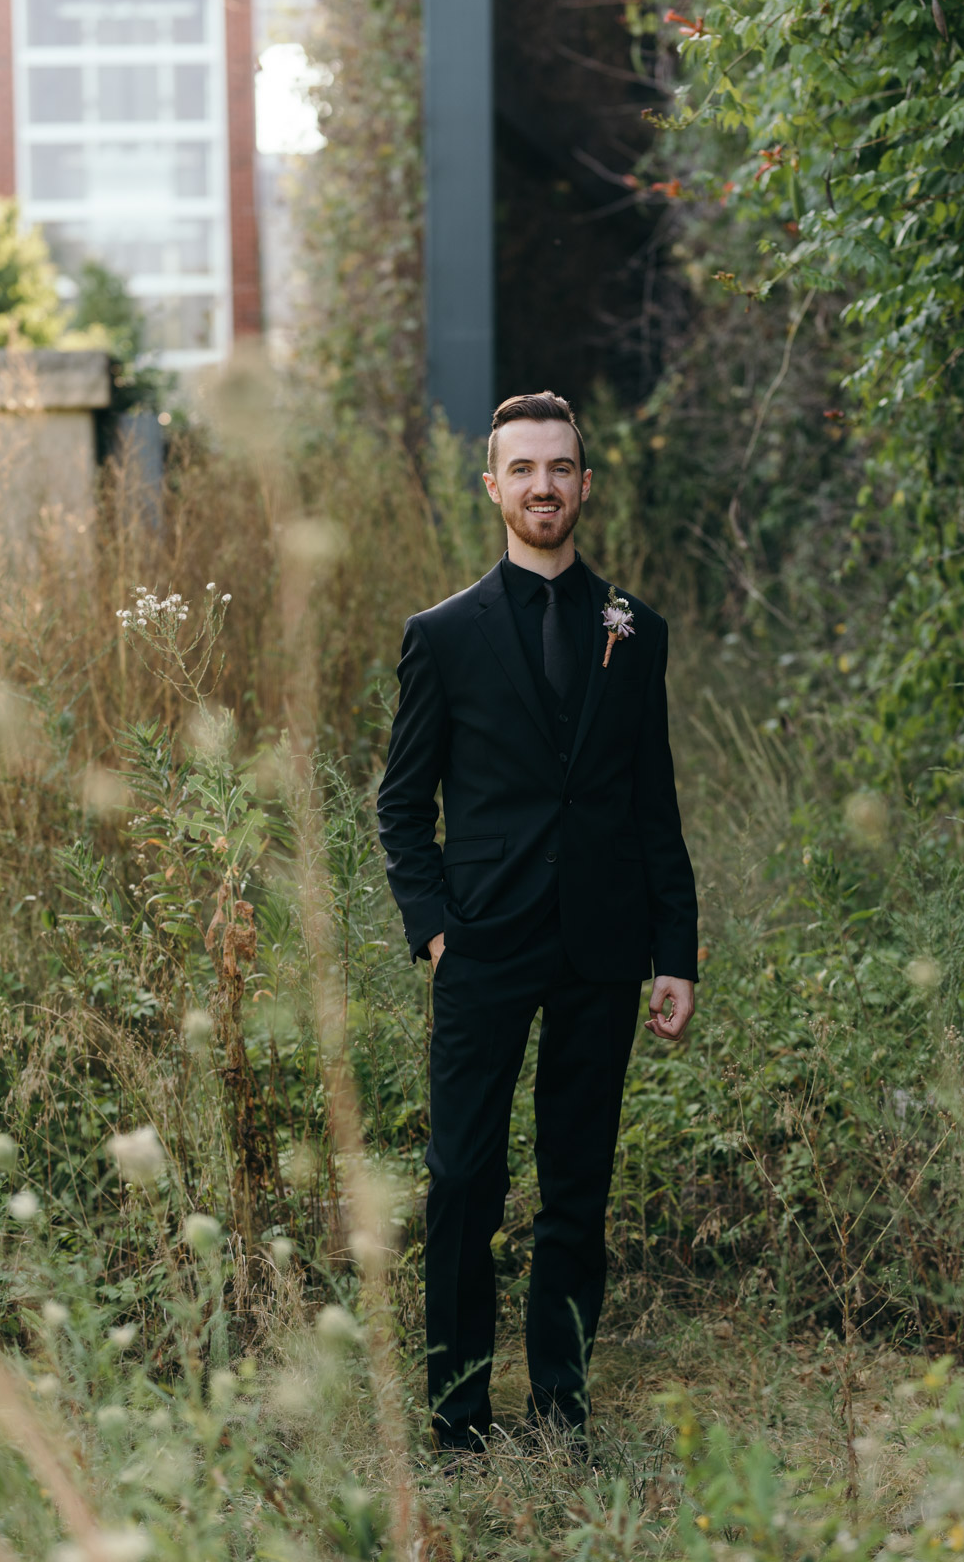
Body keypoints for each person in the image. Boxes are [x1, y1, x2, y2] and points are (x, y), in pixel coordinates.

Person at [377, 390, 697, 1460]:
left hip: (603, 947)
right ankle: (459, 1410)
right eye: (523, 470)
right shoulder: (443, 635)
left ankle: (560, 1402)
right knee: (465, 1175)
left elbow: (654, 799)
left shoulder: (634, 630)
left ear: (585, 485)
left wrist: (675, 952)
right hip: (483, 943)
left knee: (578, 1178)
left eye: (560, 468)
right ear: (494, 487)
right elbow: (400, 803)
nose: (543, 487)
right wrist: (434, 930)